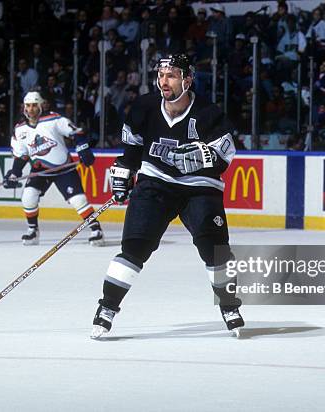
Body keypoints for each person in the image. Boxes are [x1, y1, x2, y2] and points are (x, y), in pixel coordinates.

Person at [90, 54, 243, 339]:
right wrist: (124, 171)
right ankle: (107, 308)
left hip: (200, 187)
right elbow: (132, 150)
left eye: (171, 75)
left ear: (187, 79)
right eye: (161, 75)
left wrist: (202, 156)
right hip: (155, 184)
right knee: (134, 248)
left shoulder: (209, 113)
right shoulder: (144, 107)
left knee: (215, 250)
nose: (164, 81)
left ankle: (229, 305)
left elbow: (224, 157)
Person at [3, 91, 105, 246]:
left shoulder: (53, 119)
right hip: (40, 170)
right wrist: (15, 172)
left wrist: (83, 149)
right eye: (28, 106)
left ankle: (96, 229)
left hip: (63, 167)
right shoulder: (19, 130)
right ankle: (33, 231)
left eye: (34, 105)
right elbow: (22, 155)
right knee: (28, 196)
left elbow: (76, 132)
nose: (31, 109)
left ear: (41, 105)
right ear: (24, 107)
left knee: (78, 200)